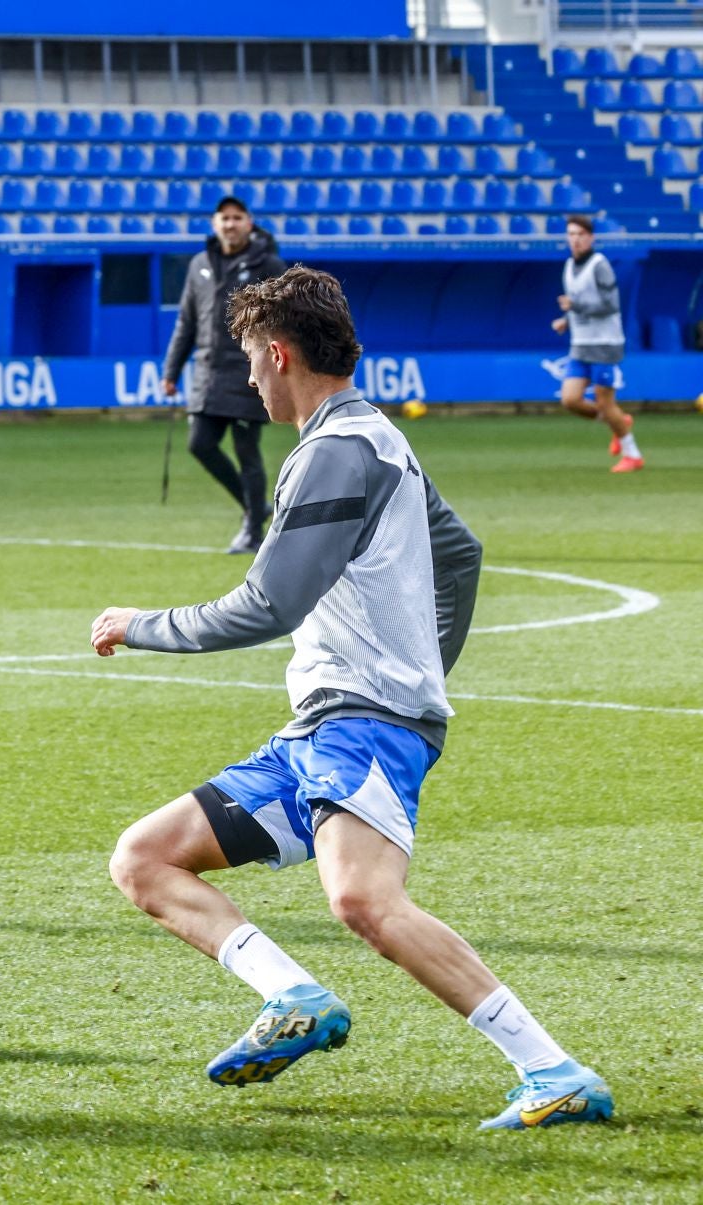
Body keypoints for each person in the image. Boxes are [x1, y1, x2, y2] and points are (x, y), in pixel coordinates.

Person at [94, 267, 613, 1132]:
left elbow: (266, 605)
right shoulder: (372, 438)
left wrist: (138, 622)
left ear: (282, 353)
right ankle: (295, 994)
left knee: (364, 901)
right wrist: (423, 673)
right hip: (325, 724)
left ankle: (553, 1069)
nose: (249, 379)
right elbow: (463, 553)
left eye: (251, 362)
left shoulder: (337, 451)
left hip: (362, 722)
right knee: (144, 858)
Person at [162, 196, 287, 553]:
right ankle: (254, 507)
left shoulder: (269, 264)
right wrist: (172, 369)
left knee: (247, 450)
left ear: (249, 223)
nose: (230, 224)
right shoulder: (200, 264)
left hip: (251, 370)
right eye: (224, 218)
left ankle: (252, 531)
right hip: (209, 372)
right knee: (199, 444)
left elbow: (282, 321)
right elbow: (187, 319)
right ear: (215, 224)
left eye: (237, 218)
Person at [553, 215, 643, 472]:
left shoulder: (599, 265)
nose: (576, 239)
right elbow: (578, 303)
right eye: (571, 234)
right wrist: (566, 320)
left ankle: (632, 454)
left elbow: (610, 304)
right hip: (580, 344)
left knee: (605, 401)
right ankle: (619, 422)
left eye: (580, 234)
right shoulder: (569, 266)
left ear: (590, 238)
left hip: (604, 344)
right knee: (570, 399)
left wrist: (575, 307)